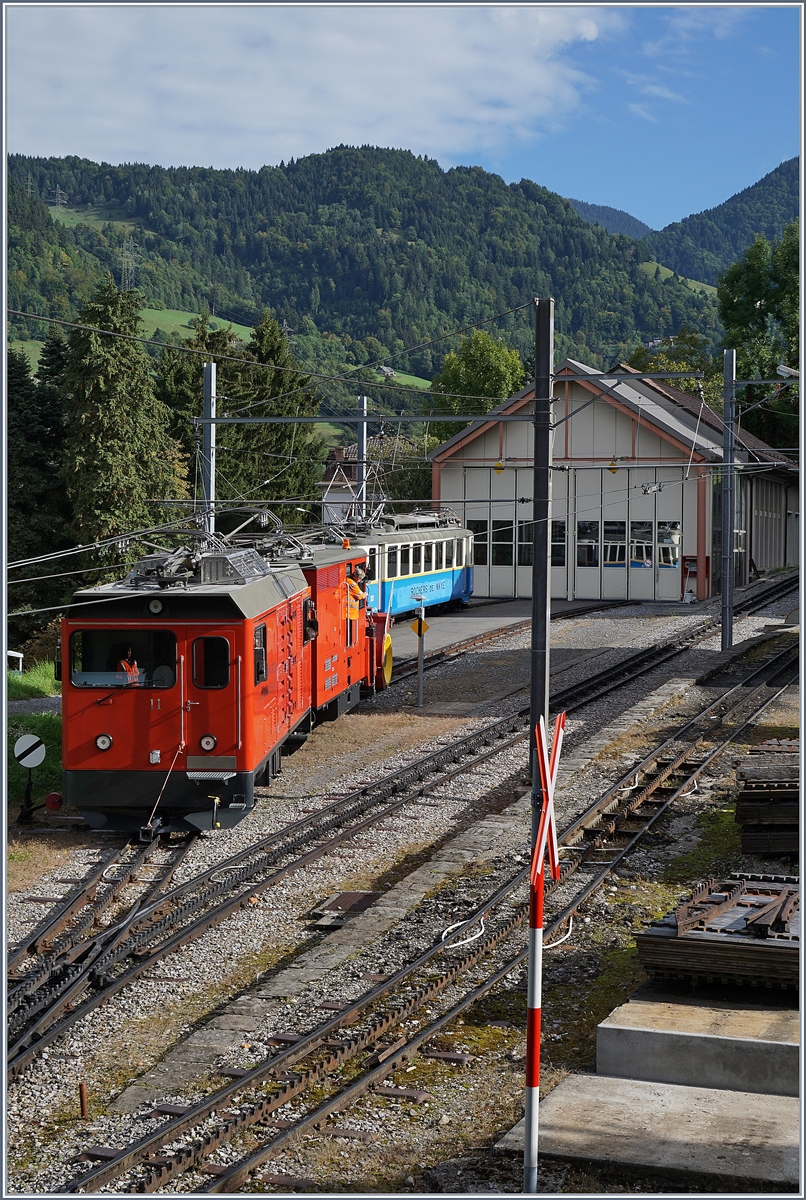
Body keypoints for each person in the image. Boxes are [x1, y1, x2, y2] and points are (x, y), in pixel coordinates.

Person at [346, 564, 367, 647]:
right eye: (361, 578)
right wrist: (365, 594)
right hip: (350, 612)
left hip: (347, 612)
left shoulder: (347, 580)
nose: (361, 580)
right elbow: (360, 596)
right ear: (357, 577)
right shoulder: (353, 584)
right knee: (350, 632)